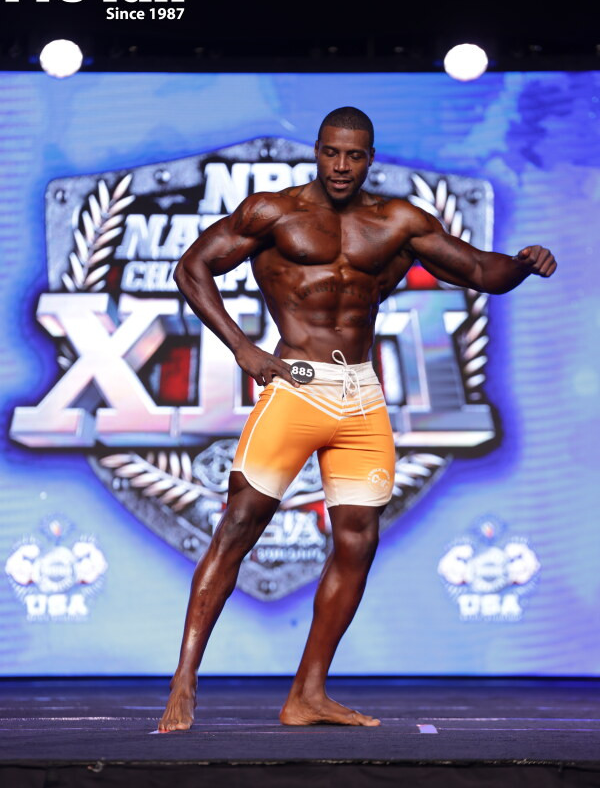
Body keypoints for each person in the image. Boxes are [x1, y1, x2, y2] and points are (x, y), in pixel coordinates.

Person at [158, 107, 556, 731]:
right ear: (317, 151)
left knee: (358, 541)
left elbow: (482, 271)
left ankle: (307, 694)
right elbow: (191, 267)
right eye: (331, 152)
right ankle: (184, 680)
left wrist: (524, 263)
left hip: (361, 396)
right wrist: (242, 348)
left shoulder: (398, 222)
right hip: (296, 387)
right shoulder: (273, 212)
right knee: (238, 524)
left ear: (370, 158)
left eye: (354, 155)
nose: (341, 166)